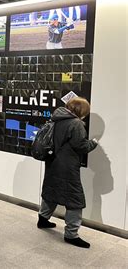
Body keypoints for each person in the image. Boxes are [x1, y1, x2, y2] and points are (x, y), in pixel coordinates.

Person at [38, 97, 98, 249]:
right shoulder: (76, 123)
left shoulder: (56, 118)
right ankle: (71, 234)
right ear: (81, 111)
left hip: (53, 162)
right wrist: (94, 143)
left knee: (51, 190)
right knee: (75, 200)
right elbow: (81, 146)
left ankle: (43, 219)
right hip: (68, 167)